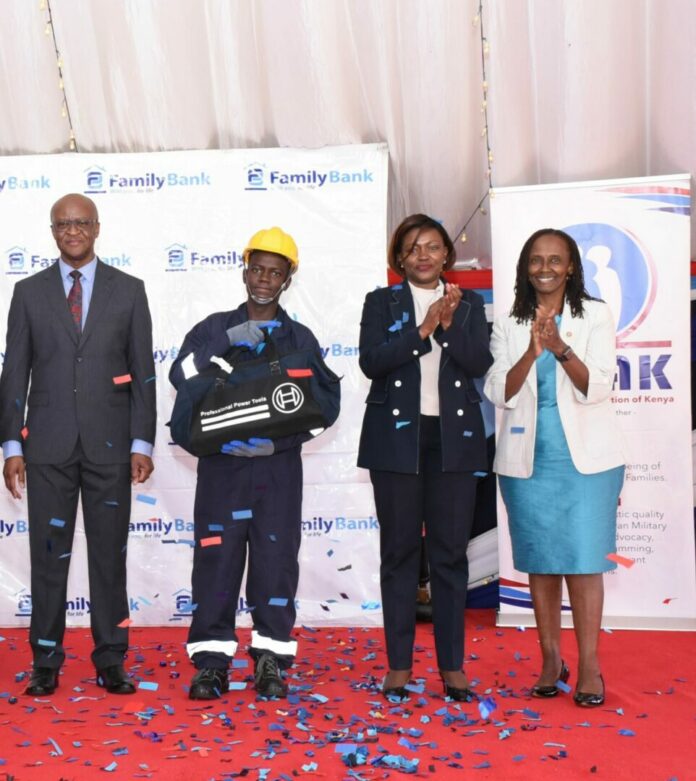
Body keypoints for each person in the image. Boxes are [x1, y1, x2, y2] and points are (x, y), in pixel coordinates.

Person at [169, 226, 340, 700]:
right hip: (222, 472)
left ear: (288, 278)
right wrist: (224, 341)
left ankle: (271, 660)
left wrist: (279, 447)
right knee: (216, 565)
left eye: (275, 272)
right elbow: (178, 374)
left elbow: (324, 408)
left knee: (275, 565)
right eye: (257, 269)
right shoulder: (212, 328)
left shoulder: (300, 338)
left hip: (276, 474)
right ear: (245, 270)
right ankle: (211, 664)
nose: (264, 279)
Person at [0, 193, 156, 696]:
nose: (72, 230)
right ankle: (45, 659)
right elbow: (13, 375)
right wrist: (11, 447)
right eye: (63, 224)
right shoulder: (27, 292)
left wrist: (143, 442)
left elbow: (144, 376)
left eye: (81, 222)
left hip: (112, 447)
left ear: (96, 228)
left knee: (109, 557)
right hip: (45, 448)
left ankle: (111, 658)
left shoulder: (129, 291)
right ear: (52, 231)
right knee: (49, 556)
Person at [484, 228, 625, 708]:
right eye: (536, 260)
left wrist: (561, 347)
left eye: (555, 260)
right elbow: (498, 393)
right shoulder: (507, 322)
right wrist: (532, 350)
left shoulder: (596, 315)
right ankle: (549, 660)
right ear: (525, 267)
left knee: (585, 563)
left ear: (570, 267)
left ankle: (589, 667)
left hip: (587, 460)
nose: (545, 268)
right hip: (528, 461)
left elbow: (600, 387)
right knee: (541, 563)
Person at [357, 213, 492, 700]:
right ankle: (398, 664)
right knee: (398, 553)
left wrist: (450, 325)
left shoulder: (470, 302)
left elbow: (479, 363)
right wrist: (422, 330)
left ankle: (452, 667)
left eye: (432, 246)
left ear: (446, 256)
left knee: (450, 555)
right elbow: (371, 361)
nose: (423, 255)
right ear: (399, 258)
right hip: (396, 441)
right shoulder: (381, 301)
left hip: (454, 439)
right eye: (413, 247)